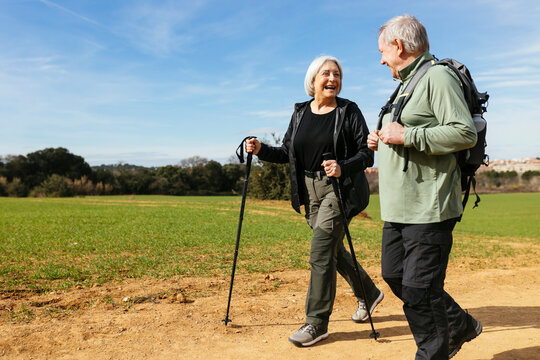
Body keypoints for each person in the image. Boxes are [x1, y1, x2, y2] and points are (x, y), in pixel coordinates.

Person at [245, 55, 383, 347]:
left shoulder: (349, 111)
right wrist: (260, 150)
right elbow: (287, 152)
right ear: (313, 80)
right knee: (332, 251)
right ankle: (369, 293)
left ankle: (316, 323)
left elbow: (366, 153)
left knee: (320, 253)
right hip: (309, 191)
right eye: (326, 74)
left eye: (337, 74)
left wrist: (342, 166)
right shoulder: (299, 113)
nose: (332, 79)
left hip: (340, 189)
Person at [368, 14, 483, 359]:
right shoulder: (405, 84)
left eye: (383, 51)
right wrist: (382, 138)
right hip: (398, 207)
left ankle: (433, 352)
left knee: (420, 289)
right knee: (395, 276)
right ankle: (459, 324)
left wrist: (407, 135)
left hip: (428, 206)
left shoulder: (437, 77)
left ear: (399, 46)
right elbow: (403, 133)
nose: (382, 58)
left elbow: (464, 132)